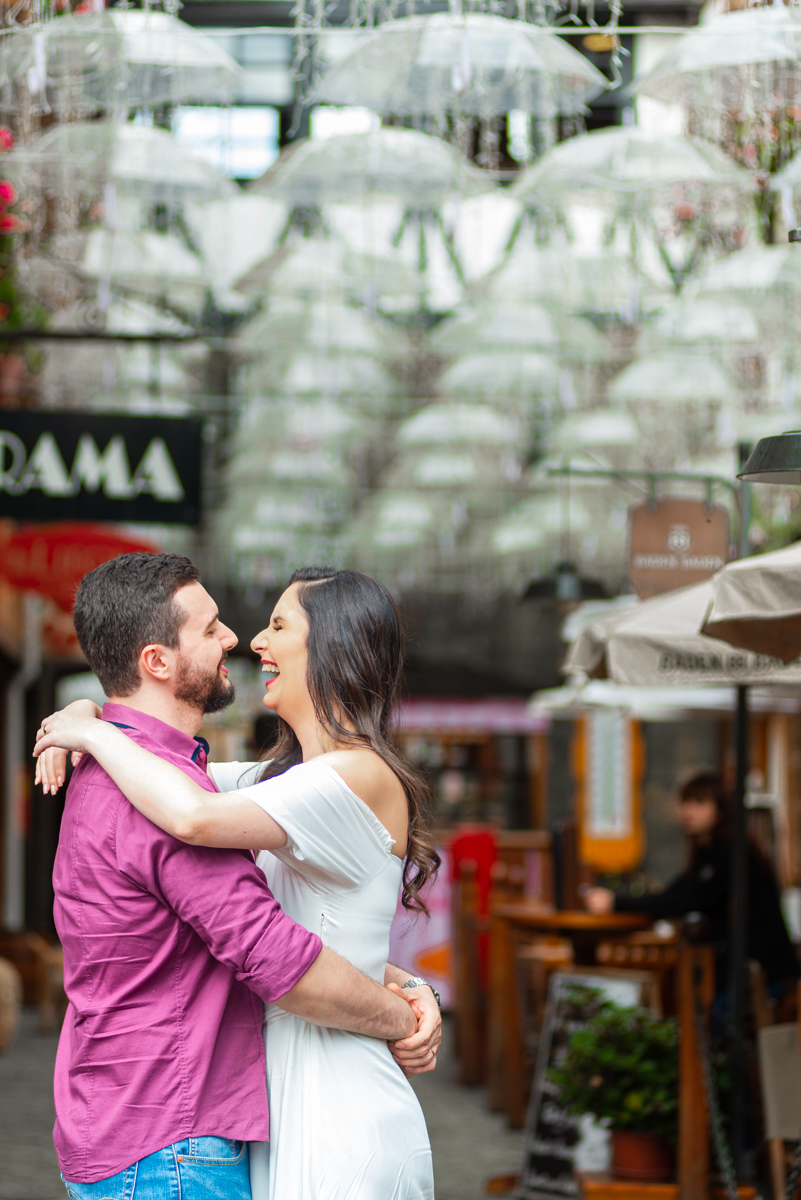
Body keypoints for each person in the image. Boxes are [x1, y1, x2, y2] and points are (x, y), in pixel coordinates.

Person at [35, 559, 440, 1200]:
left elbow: (194, 815)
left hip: (328, 1102)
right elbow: (193, 807)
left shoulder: (349, 776)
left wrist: (91, 729)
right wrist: (89, 718)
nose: (245, 639)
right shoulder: (253, 785)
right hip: (217, 1120)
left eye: (278, 625)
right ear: (156, 661)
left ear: (331, 647)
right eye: (212, 627)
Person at [585, 771, 800, 999]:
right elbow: (673, 895)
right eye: (685, 803)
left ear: (721, 808)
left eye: (700, 803)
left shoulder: (732, 851)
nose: (689, 811)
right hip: (738, 974)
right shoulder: (706, 855)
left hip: (761, 978)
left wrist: (616, 903)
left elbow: (686, 900)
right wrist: (618, 901)